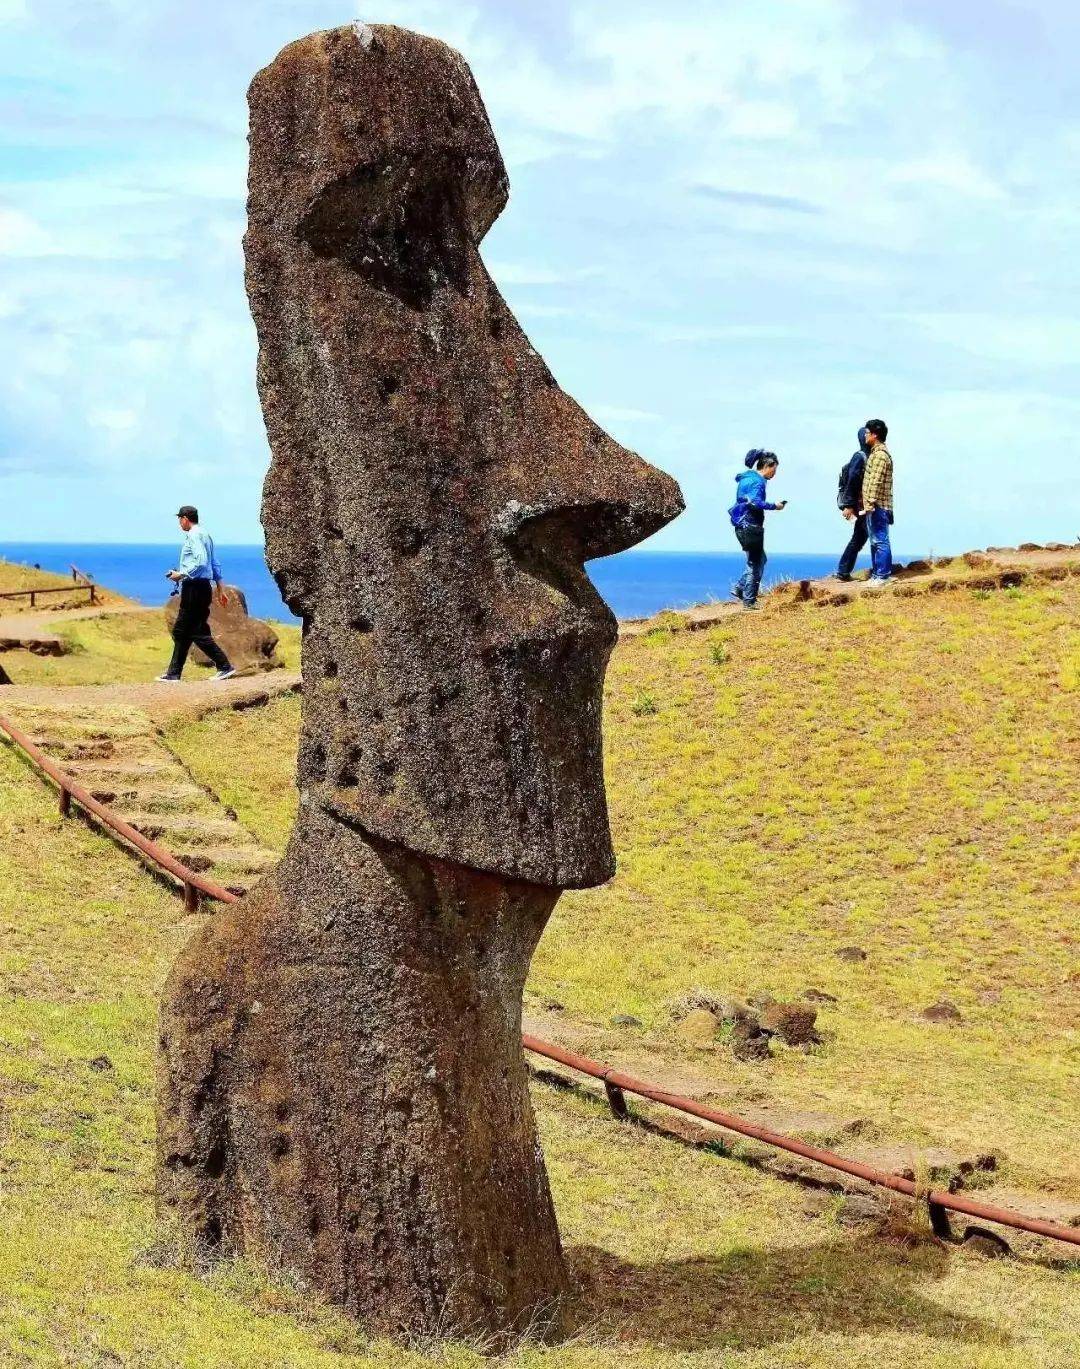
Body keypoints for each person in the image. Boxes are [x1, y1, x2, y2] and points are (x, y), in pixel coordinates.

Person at [157, 505, 236, 681]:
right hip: (203, 587)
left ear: (185, 519)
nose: (179, 523)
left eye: (179, 519)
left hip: (194, 588)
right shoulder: (205, 534)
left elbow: (201, 562)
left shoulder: (193, 535)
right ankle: (174, 673)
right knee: (185, 631)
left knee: (188, 630)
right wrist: (220, 588)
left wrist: (181, 574)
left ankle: (224, 665)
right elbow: (214, 564)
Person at [728, 449, 787, 611]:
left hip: (742, 524)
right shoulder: (758, 482)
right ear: (767, 466)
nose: (774, 473)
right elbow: (755, 502)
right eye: (774, 469)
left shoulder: (748, 478)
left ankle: (740, 588)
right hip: (750, 526)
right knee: (757, 562)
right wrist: (774, 505)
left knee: (758, 559)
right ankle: (749, 600)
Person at [860, 419, 894, 586]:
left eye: (867, 432)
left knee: (880, 540)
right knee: (875, 540)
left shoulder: (880, 455)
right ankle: (877, 574)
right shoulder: (876, 453)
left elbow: (876, 482)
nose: (865, 435)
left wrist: (870, 504)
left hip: (878, 505)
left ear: (875, 435)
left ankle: (883, 576)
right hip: (874, 505)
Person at [836, 426, 869, 580]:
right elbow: (852, 481)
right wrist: (848, 505)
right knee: (860, 537)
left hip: (865, 504)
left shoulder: (869, 455)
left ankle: (843, 570)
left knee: (861, 536)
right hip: (860, 504)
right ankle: (843, 570)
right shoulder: (860, 456)